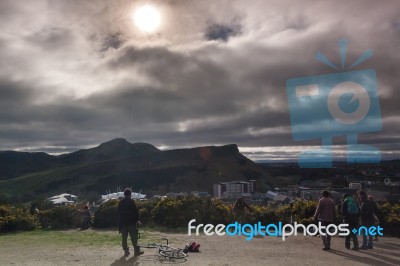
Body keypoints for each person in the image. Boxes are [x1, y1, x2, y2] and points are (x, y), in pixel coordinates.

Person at [117, 188, 143, 256]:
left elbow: (118, 213)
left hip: (123, 223)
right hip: (131, 222)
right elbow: (135, 212)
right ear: (130, 194)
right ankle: (136, 251)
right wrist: (137, 220)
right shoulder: (132, 202)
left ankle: (126, 250)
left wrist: (119, 223)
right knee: (134, 237)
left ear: (124, 194)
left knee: (124, 238)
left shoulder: (121, 202)